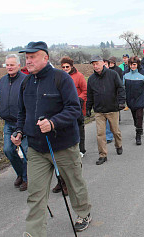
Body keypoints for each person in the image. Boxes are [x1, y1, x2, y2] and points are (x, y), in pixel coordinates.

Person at [12, 41, 92, 235]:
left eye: (32, 57)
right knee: (35, 194)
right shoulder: (26, 82)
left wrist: (53, 122)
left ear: (45, 57)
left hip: (63, 145)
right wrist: (19, 131)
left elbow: (74, 109)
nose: (28, 61)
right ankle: (34, 233)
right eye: (26, 57)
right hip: (36, 148)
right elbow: (23, 113)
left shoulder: (61, 78)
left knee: (74, 184)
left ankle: (83, 212)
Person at [51, 56, 88, 194]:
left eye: (67, 67)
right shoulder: (58, 78)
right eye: (63, 67)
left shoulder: (79, 76)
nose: (65, 69)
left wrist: (78, 99)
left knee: (77, 134)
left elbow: (85, 90)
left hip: (76, 110)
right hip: (61, 114)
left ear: (72, 66)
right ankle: (61, 181)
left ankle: (80, 151)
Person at [0, 54, 28, 191]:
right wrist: (0, 109)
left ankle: (27, 179)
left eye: (12, 65)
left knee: (26, 151)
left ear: (19, 66)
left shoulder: (26, 80)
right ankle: (20, 173)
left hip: (24, 122)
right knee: (8, 150)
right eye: (7, 65)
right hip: (8, 123)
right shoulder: (2, 81)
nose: (9, 67)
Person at [86, 55, 126, 165]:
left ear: (103, 63)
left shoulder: (112, 75)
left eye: (97, 63)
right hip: (99, 111)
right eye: (93, 64)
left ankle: (118, 145)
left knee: (115, 131)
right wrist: (88, 108)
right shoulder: (91, 79)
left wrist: (121, 102)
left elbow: (120, 88)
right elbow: (89, 95)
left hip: (112, 109)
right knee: (100, 134)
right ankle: (103, 155)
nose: (95, 66)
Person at [123, 56, 144, 145]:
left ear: (137, 64)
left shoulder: (143, 74)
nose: (132, 66)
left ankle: (138, 135)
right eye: (131, 64)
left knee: (139, 116)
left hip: (141, 98)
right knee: (135, 117)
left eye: (134, 64)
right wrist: (121, 99)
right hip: (130, 98)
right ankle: (138, 127)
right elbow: (121, 87)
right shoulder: (125, 74)